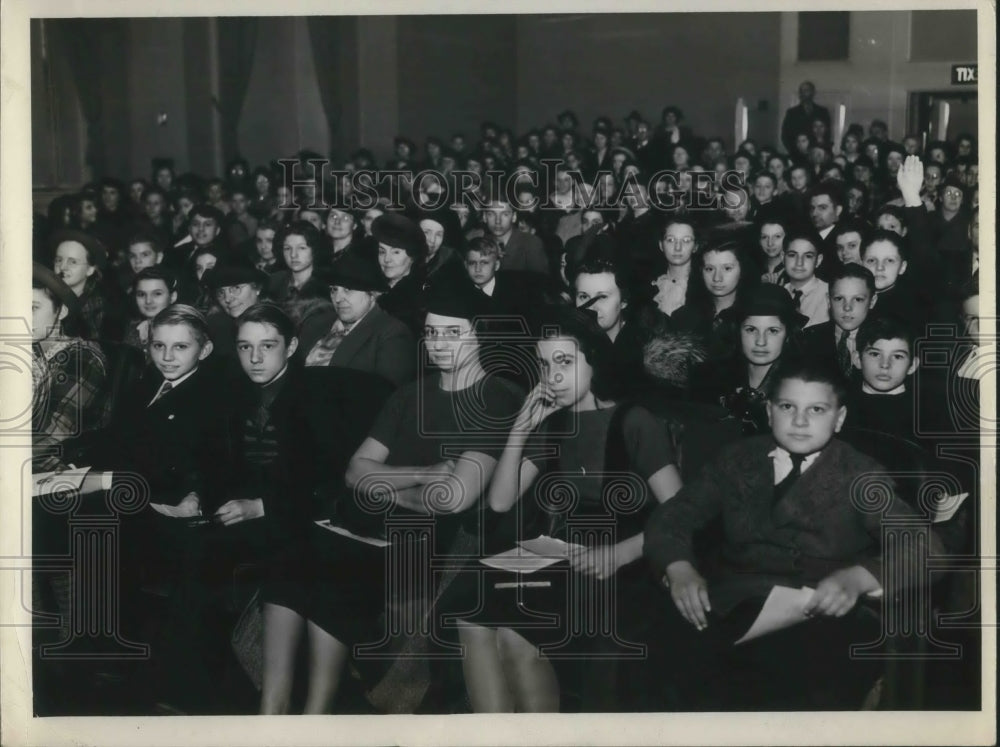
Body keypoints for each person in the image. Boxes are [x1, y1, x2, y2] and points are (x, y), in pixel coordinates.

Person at [259, 280, 523, 714]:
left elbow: (454, 498)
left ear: (479, 335)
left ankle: (314, 714)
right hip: (372, 527)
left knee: (334, 571)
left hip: (436, 542)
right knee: (290, 559)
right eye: (432, 333)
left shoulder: (495, 398)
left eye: (451, 333)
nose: (438, 344)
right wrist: (423, 474)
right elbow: (354, 472)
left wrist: (388, 485)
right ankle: (273, 709)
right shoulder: (409, 395)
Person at [643, 357, 943, 710]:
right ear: (770, 412)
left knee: (797, 687)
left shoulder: (861, 475)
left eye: (817, 409)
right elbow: (673, 516)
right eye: (788, 406)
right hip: (734, 599)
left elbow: (926, 548)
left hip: (821, 610)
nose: (800, 421)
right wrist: (678, 567)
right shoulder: (737, 459)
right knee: (667, 667)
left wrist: (859, 578)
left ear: (840, 418)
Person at [457, 306, 683, 712]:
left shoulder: (633, 420)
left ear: (592, 360)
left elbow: (682, 512)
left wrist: (621, 552)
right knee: (469, 616)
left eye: (564, 362)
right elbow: (500, 500)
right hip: (563, 556)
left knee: (513, 632)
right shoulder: (554, 421)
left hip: (624, 560)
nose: (553, 377)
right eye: (544, 365)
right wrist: (520, 429)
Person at [691, 284, 808, 435]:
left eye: (772, 331)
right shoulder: (709, 379)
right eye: (751, 329)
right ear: (737, 331)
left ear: (787, 335)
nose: (760, 341)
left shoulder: (803, 387)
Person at [31, 263, 109, 472]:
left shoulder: (83, 357)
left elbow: (53, 436)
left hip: (56, 473)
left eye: (33, 308)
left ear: (62, 312)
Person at [296, 251, 416, 386]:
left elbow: (387, 395)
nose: (338, 298)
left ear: (373, 295)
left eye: (348, 290)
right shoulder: (315, 323)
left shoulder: (391, 334)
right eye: (334, 290)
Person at [671, 239, 758, 360]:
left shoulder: (755, 318)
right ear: (701, 272)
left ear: (742, 270)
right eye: (709, 269)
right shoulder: (682, 317)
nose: (717, 278)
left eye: (727, 268)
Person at [842, 315, 919, 442]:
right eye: (875, 354)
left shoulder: (926, 415)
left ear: (912, 365)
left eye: (898, 356)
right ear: (857, 360)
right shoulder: (840, 408)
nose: (885, 365)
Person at [800, 264, 877, 378]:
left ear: (872, 301)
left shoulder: (883, 342)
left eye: (858, 299)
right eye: (839, 298)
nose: (847, 307)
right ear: (828, 300)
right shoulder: (807, 340)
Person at [50, 230, 114, 341]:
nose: (62, 267)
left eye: (73, 262)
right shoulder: (47, 298)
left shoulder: (99, 310)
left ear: (90, 270)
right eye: (59, 260)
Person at [373, 212, 428, 336]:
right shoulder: (376, 286)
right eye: (382, 252)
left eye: (396, 252)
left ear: (412, 257)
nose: (387, 259)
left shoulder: (418, 297)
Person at [265, 221, 331, 313]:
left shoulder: (326, 287)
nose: (293, 255)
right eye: (287, 248)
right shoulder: (275, 281)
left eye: (302, 248)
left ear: (314, 250)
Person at [481, 198, 549, 275]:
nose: (498, 221)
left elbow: (542, 283)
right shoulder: (481, 244)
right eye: (492, 214)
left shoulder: (531, 244)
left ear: (514, 217)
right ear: (484, 217)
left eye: (505, 214)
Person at [123, 267, 179, 354]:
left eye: (157, 294)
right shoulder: (134, 330)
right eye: (141, 294)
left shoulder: (183, 331)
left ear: (172, 297)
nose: (148, 301)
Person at [650, 218, 698, 317]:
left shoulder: (704, 285)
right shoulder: (653, 285)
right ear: (661, 245)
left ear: (695, 246)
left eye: (686, 240)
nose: (677, 247)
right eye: (671, 240)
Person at [781, 233, 829, 328]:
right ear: (783, 257)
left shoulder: (828, 294)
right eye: (792, 255)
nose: (799, 262)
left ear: (818, 260)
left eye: (808, 256)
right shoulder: (779, 293)